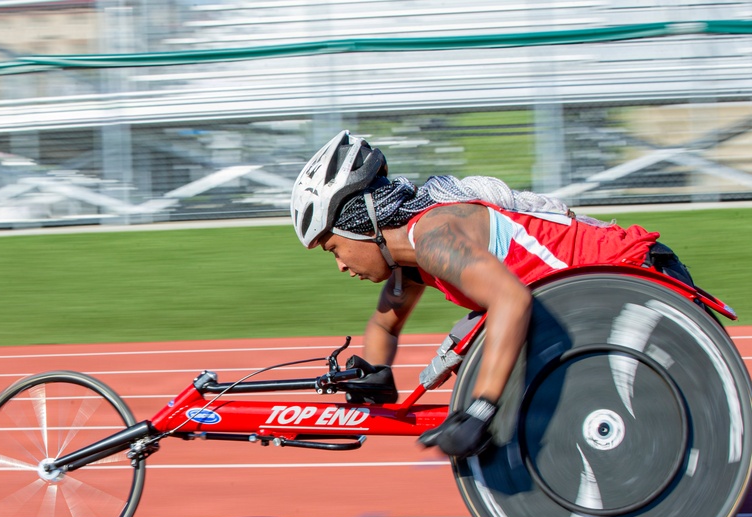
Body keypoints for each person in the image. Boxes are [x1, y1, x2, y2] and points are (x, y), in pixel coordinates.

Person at [290, 130, 694, 458]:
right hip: (600, 299)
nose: (341, 266)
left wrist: (481, 407)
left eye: (334, 249)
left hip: (640, 276)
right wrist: (376, 373)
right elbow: (384, 325)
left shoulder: (435, 238)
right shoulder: (409, 263)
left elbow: (511, 301)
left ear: (363, 226)